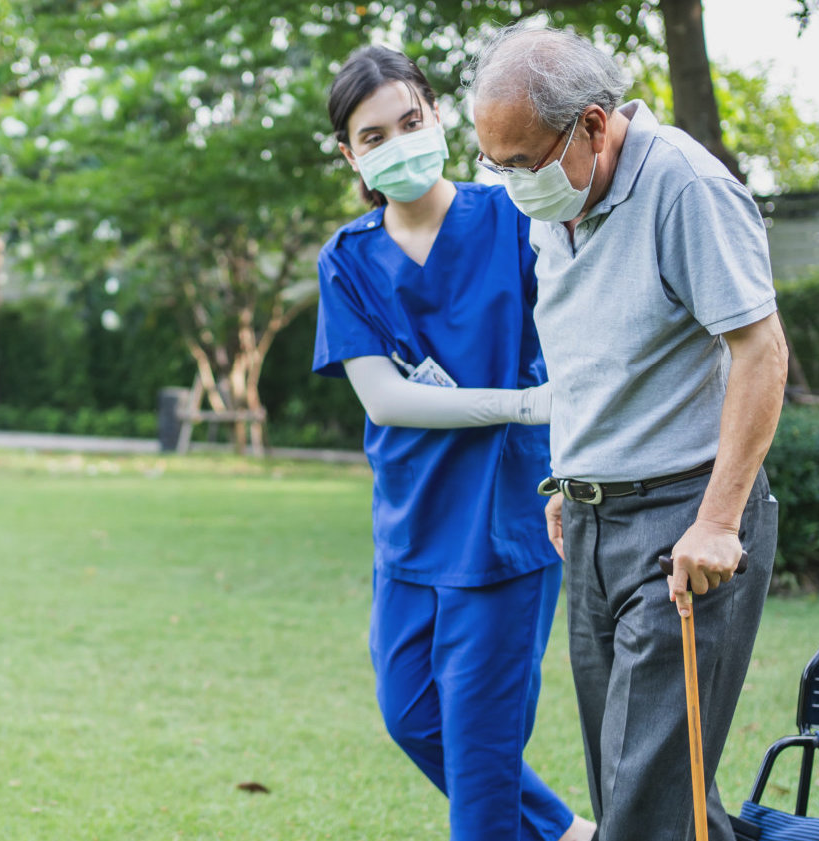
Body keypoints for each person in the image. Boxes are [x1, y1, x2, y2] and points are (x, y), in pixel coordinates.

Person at [467, 25, 789, 841]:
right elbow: (591, 351)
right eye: (493, 164)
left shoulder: (685, 187)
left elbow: (760, 352)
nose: (510, 184)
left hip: (684, 523)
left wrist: (718, 523)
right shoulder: (558, 196)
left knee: (640, 805)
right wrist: (569, 474)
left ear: (594, 125)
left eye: (522, 163)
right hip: (590, 521)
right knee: (650, 791)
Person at [312, 45, 596, 841]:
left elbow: (583, 323)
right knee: (410, 717)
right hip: (408, 526)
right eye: (373, 135)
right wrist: (519, 403)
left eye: (410, 120)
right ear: (351, 154)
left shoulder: (512, 219)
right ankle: (572, 832)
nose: (397, 141)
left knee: (479, 759)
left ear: (435, 116)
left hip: (502, 528)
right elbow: (386, 398)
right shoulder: (348, 258)